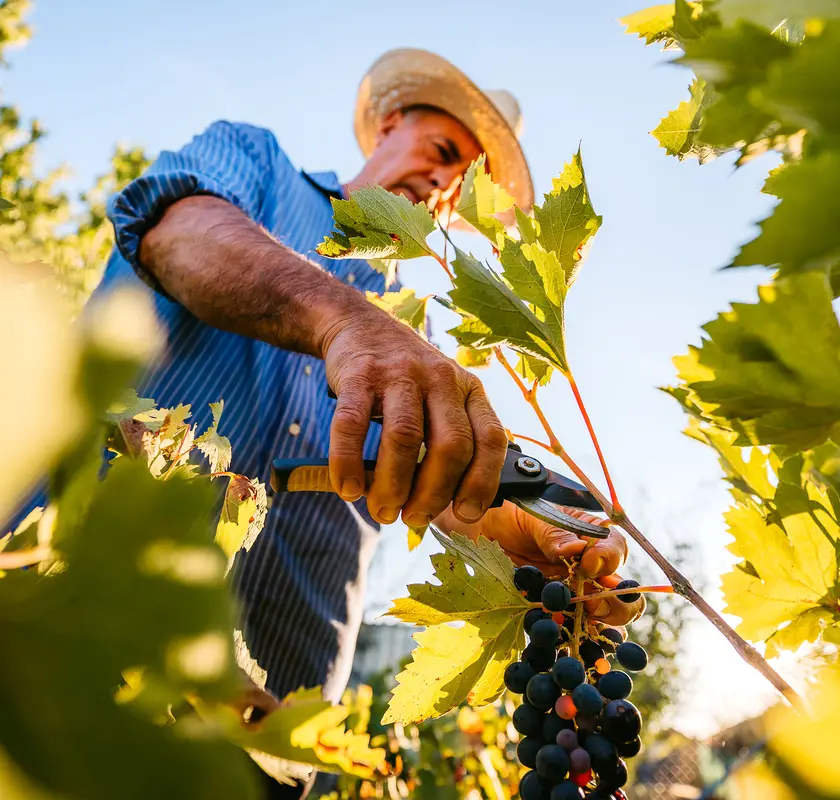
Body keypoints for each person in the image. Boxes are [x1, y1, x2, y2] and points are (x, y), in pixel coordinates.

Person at [30, 49, 643, 796]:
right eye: (443, 150)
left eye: (464, 183)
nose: (444, 184)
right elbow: (175, 231)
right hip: (58, 625)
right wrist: (342, 320)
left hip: (270, 734)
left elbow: (435, 482)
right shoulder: (257, 163)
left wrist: (511, 524)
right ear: (390, 123)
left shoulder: (417, 345)